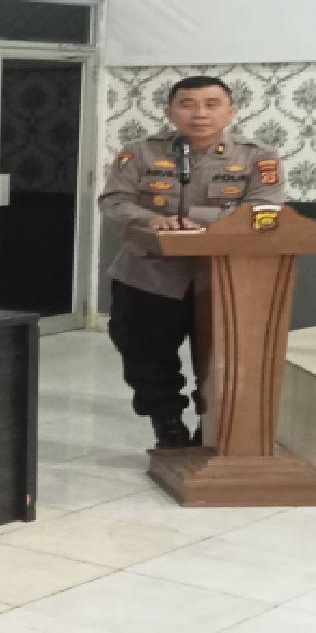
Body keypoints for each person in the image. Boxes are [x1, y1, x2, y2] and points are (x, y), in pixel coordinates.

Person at [98, 76, 286, 448]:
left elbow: (264, 209)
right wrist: (153, 220)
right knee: (144, 355)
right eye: (187, 104)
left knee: (223, 357)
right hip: (148, 274)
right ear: (170, 112)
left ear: (230, 112)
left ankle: (211, 425)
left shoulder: (257, 157)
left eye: (212, 104)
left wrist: (196, 221)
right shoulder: (139, 153)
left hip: (223, 277)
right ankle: (166, 423)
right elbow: (114, 201)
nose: (199, 113)